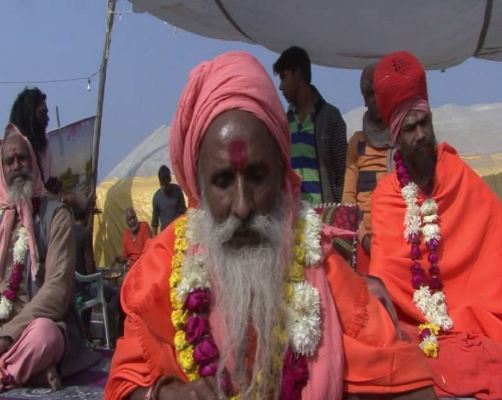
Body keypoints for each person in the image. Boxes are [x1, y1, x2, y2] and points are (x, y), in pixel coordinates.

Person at [105, 51, 436, 400]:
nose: (244, 205)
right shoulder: (161, 269)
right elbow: (124, 385)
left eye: (258, 176)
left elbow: (409, 381)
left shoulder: (319, 265)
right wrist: (164, 395)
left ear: (281, 175)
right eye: (221, 181)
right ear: (198, 187)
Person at [368, 50, 502, 399]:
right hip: (416, 329)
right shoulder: (386, 198)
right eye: (410, 129)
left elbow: (495, 237)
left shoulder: (457, 174)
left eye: (424, 124)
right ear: (396, 137)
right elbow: (386, 278)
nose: (421, 136)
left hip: (477, 311)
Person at [0, 124, 80, 389]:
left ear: (33, 162)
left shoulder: (56, 216)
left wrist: (7, 336)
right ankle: (29, 373)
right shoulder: (2, 220)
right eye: (8, 161)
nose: (16, 166)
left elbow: (57, 292)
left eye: (22, 158)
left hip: (36, 325)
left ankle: (10, 370)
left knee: (45, 337)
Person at [273, 46, 347, 204]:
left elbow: (342, 173)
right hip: (292, 217)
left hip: (324, 217)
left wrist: (337, 212)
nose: (280, 87)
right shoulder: (283, 123)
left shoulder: (331, 117)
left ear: (298, 74)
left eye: (283, 77)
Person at [342, 64, 393, 273]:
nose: (375, 98)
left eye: (380, 92)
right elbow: (348, 198)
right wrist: (363, 236)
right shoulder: (357, 143)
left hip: (397, 240)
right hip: (365, 242)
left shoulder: (402, 140)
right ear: (364, 98)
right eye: (370, 93)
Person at [74, 205, 121, 343]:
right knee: (115, 293)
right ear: (87, 216)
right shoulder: (85, 234)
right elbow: (89, 268)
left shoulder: (67, 231)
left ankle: (86, 331)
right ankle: (111, 336)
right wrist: (101, 274)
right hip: (84, 287)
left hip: (72, 285)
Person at [151, 165, 186, 235]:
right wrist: (154, 240)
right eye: (161, 184)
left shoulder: (177, 190)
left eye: (166, 184)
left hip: (179, 232)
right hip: (165, 235)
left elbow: (184, 212)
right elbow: (154, 223)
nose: (163, 187)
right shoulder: (156, 198)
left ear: (170, 179)